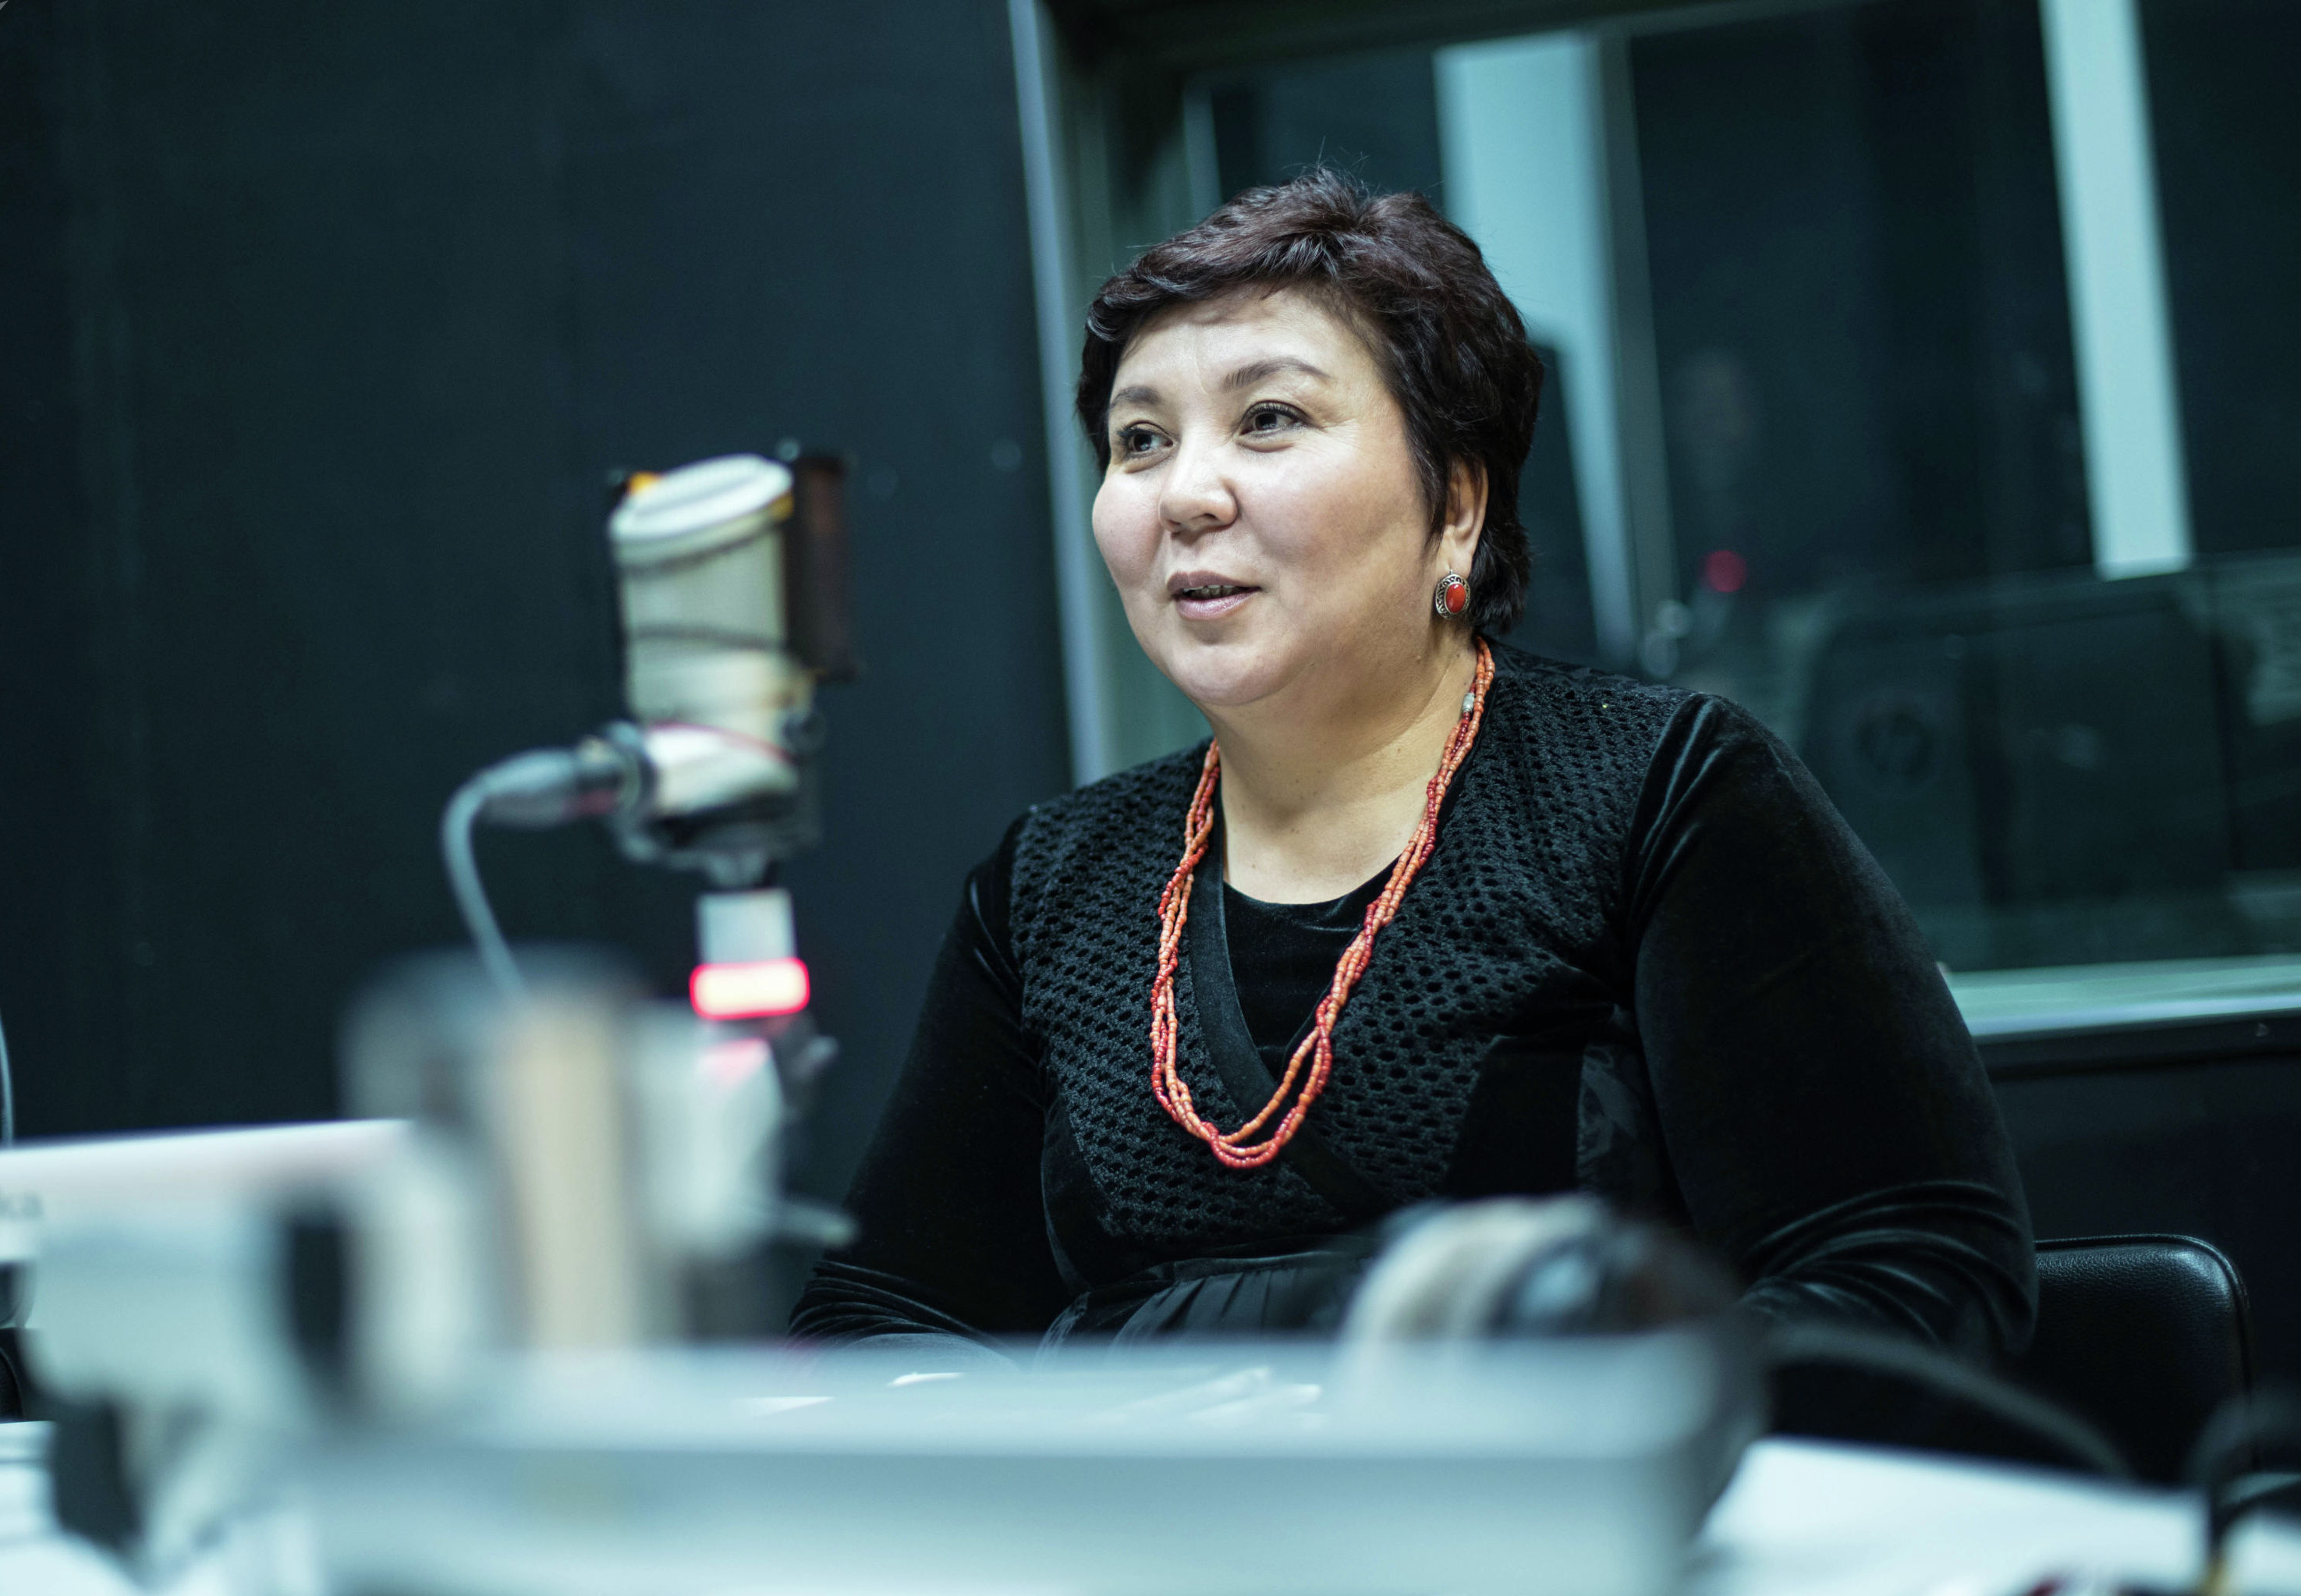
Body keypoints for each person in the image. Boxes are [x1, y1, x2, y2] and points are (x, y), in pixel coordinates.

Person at [792, 170, 2033, 1374]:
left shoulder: (1662, 792)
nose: (1186, 494)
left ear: (1455, 507)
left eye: (1267, 419)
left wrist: (1549, 1441)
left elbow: (1909, 1270)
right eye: (1140, 439)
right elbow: (875, 1319)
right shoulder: (1049, 886)